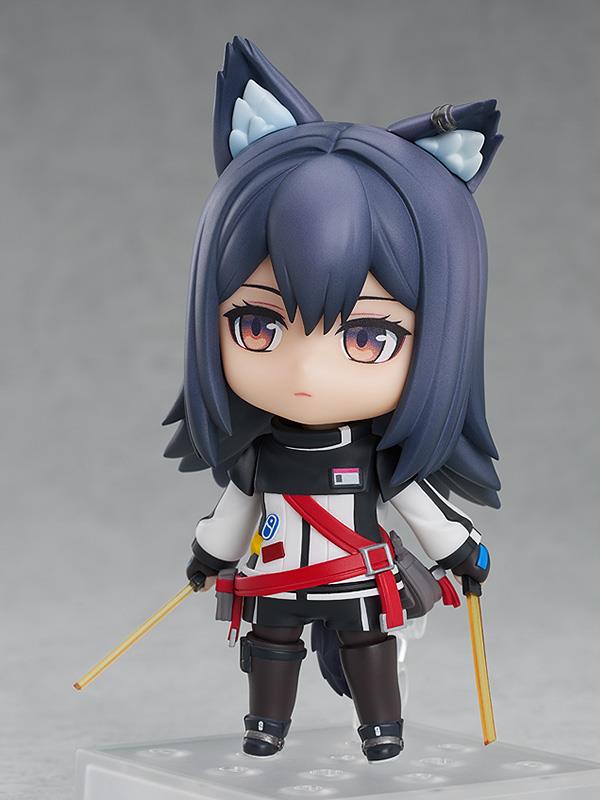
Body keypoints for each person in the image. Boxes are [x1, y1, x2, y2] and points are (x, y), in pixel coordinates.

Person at [164, 36, 502, 762]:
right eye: (258, 326)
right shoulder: (258, 457)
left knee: (369, 645)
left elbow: (421, 509)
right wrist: (206, 555)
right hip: (277, 575)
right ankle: (266, 726)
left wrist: (460, 550)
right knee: (270, 646)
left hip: (355, 575)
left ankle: (382, 728)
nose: (305, 370)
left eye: (368, 336)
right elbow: (233, 514)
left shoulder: (374, 456)